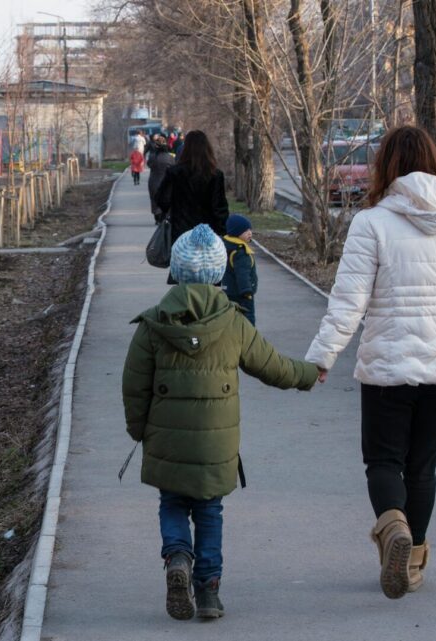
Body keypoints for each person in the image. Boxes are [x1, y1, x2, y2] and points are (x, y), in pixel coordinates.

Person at [305, 125, 436, 599]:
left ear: (385, 166)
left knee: (384, 460)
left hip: (387, 367)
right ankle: (412, 563)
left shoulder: (371, 222)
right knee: (422, 466)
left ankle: (393, 530)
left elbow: (348, 302)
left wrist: (322, 356)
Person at [122, 224, 320, 621]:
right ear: (217, 273)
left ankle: (178, 557)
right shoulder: (233, 322)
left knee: (172, 503)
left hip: (167, 441)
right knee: (210, 512)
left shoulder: (153, 324)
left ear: (176, 271)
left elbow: (133, 385)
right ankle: (209, 592)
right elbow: (273, 367)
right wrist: (310, 374)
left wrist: (139, 430)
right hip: (216, 446)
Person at [156, 130, 231, 283]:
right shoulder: (215, 175)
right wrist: (222, 233)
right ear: (207, 149)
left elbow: (162, 200)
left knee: (184, 276)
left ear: (185, 149)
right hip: (208, 235)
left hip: (181, 234)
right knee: (208, 275)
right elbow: (219, 208)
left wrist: (172, 209)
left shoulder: (174, 173)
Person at [221, 214, 257, 325]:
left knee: (230, 319)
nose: (250, 233)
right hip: (242, 294)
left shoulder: (226, 246)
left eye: (250, 230)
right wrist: (247, 291)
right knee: (247, 319)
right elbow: (243, 274)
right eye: (246, 231)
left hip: (227, 291)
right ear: (236, 232)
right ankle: (249, 335)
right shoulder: (241, 253)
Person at [147, 136, 175, 217]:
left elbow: (149, 165)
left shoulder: (152, 157)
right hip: (167, 182)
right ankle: (165, 216)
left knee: (154, 199)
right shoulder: (170, 157)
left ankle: (157, 216)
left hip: (154, 181)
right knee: (167, 199)